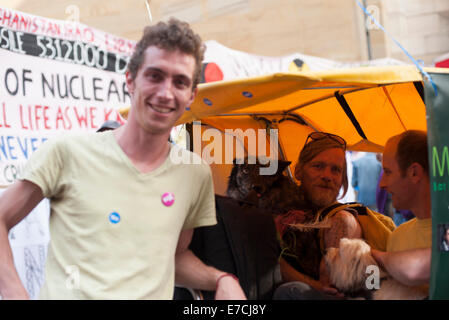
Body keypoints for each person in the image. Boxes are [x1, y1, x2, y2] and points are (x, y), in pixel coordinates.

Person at [0, 18, 246, 300]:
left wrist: (221, 279)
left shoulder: (195, 173)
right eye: (155, 76)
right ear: (130, 79)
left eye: (179, 82)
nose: (165, 93)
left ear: (192, 94)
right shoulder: (66, 152)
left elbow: (173, 258)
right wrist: (15, 294)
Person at [273, 132, 362, 299]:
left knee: (292, 291)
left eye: (336, 170)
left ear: (343, 181)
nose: (327, 176)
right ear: (298, 171)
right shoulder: (282, 211)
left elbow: (328, 287)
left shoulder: (342, 219)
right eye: (318, 166)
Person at [372, 130, 431, 296]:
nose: (382, 184)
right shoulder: (398, 237)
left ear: (414, 173)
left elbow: (414, 270)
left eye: (388, 172)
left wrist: (372, 255)